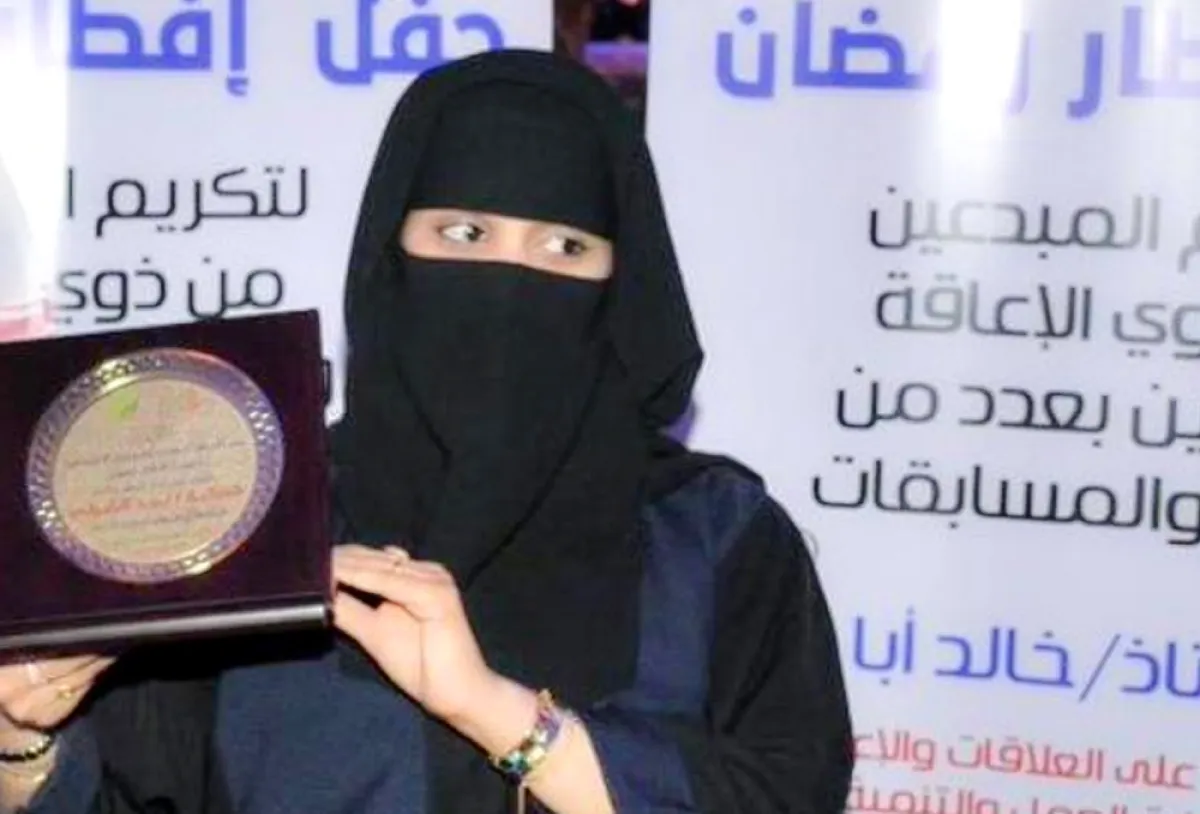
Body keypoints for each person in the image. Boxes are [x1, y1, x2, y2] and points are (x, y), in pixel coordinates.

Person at [0, 49, 853, 814]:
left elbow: (791, 791)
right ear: (390, 261)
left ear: (622, 287)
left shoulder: (716, 539)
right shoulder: (253, 531)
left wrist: (491, 709)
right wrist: (21, 743)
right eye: (464, 233)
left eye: (564, 247)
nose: (509, 279)